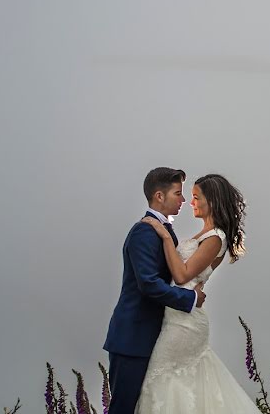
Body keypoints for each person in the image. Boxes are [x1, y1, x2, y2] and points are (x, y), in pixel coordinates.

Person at [134, 173, 261, 413]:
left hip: (186, 323)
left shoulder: (216, 238)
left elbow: (182, 276)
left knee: (160, 379)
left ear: (211, 201)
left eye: (195, 197)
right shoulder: (204, 235)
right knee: (170, 383)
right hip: (176, 317)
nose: (190, 202)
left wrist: (164, 236)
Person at [104, 167, 207, 414]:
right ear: (159, 196)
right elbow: (148, 283)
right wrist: (190, 298)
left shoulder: (162, 231)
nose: (183, 200)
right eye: (177, 193)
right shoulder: (143, 231)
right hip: (133, 338)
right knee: (124, 409)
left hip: (154, 336)